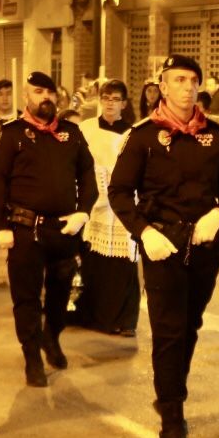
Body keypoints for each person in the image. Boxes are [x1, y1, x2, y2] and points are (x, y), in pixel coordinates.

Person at [108, 55, 219, 438]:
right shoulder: (145, 136)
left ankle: (171, 395)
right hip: (162, 247)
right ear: (162, 87)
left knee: (191, 326)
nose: (188, 87)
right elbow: (118, 191)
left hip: (204, 246)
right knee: (169, 332)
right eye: (179, 80)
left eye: (193, 80)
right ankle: (172, 418)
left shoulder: (216, 136)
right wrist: (143, 232)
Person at [0, 72, 96, 387]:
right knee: (27, 298)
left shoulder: (71, 133)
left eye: (49, 91)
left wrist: (83, 213)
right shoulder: (12, 134)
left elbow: (88, 175)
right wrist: (1, 226)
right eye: (38, 91)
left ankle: (52, 337)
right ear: (26, 96)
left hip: (63, 229)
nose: (44, 97)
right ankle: (32, 356)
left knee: (61, 294)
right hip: (25, 230)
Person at [76, 80, 139, 337]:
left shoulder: (132, 133)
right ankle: (93, 316)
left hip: (121, 204)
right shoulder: (87, 128)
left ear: (124, 103)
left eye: (115, 99)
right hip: (93, 202)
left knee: (123, 263)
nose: (110, 103)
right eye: (106, 98)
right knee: (93, 261)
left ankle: (125, 320)